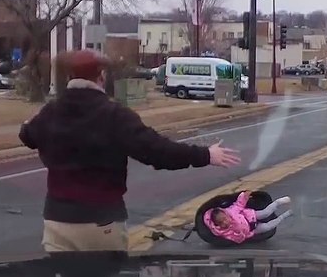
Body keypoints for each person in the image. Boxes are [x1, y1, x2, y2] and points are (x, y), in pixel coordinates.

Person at [19, 49, 241, 252]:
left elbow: (28, 136)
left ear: (69, 78)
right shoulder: (114, 115)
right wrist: (206, 155)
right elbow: (157, 151)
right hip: (102, 220)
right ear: (101, 76)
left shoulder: (51, 112)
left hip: (57, 221)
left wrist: (27, 126)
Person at [203, 192, 293, 244]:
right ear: (217, 225)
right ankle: (284, 216)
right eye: (221, 223)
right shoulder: (224, 232)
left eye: (225, 218)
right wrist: (241, 235)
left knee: (266, 212)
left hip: (250, 216)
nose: (225, 222)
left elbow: (239, 205)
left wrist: (244, 196)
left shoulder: (231, 211)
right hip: (251, 230)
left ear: (226, 214)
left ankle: (278, 202)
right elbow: (235, 239)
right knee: (267, 227)